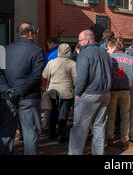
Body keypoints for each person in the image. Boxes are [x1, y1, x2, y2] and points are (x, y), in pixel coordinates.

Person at [0, 22, 44, 155]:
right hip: (28, 98)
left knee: (6, 133)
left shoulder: (5, 50)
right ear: (30, 34)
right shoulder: (37, 50)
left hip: (8, 97)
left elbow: (0, 73)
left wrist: (7, 90)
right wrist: (18, 91)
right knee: (30, 134)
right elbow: (36, 76)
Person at [68, 29, 113, 155]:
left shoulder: (84, 53)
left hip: (90, 93)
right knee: (99, 126)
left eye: (80, 40)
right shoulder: (104, 52)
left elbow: (82, 76)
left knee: (80, 128)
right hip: (105, 93)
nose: (79, 43)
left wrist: (77, 93)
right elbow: (111, 71)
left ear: (87, 40)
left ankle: (74, 153)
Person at [106, 37, 133, 148]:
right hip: (126, 90)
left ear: (114, 47)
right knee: (125, 116)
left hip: (111, 90)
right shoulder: (131, 59)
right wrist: (132, 79)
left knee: (111, 115)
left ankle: (110, 138)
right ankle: (125, 140)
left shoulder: (108, 58)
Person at [42, 43, 76, 143]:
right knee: (63, 113)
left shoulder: (51, 62)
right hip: (67, 91)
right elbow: (76, 79)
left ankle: (52, 133)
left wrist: (46, 85)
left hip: (53, 91)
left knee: (53, 112)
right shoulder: (72, 63)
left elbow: (44, 76)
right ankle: (61, 135)